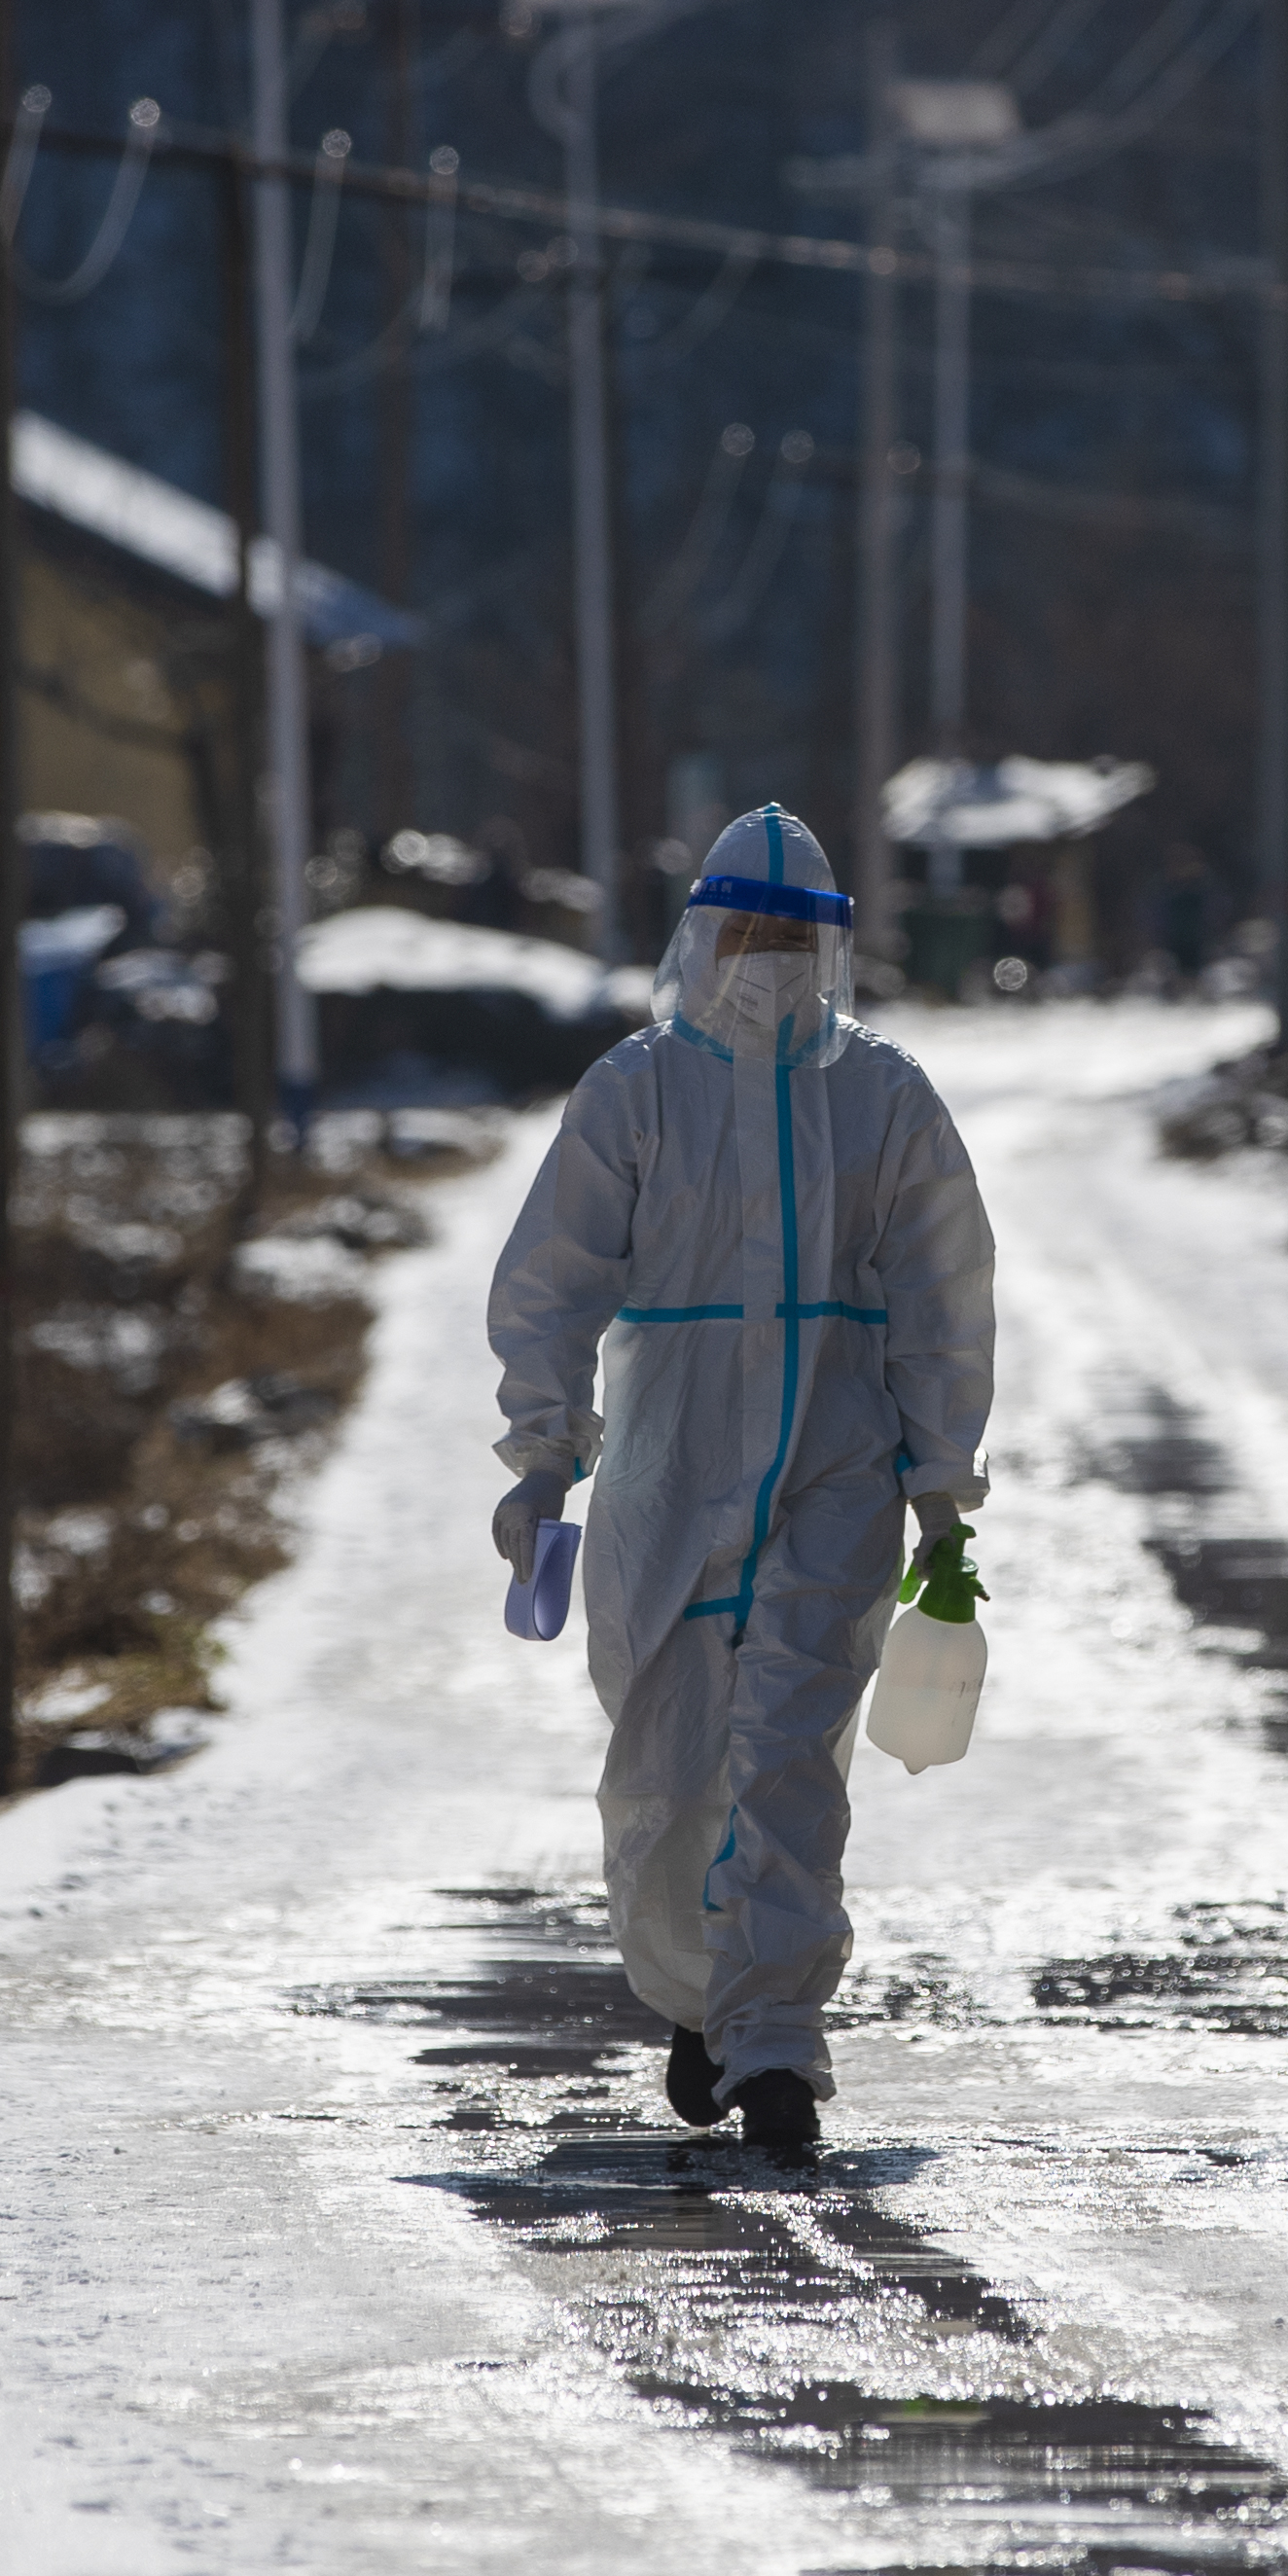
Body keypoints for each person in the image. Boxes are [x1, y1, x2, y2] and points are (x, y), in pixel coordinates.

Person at [487, 805, 997, 2163]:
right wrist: (544, 1450)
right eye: (750, 933)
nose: (771, 960)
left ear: (833, 949)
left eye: (797, 937)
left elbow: (944, 1293)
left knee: (787, 1753)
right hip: (672, 1467)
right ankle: (699, 1998)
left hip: (838, 1459)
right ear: (704, 938)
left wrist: (941, 1474)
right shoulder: (639, 1092)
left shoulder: (879, 1097)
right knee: (667, 1755)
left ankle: (775, 2035)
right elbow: (553, 1280)